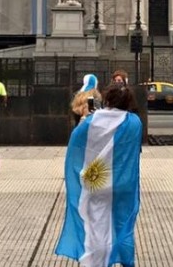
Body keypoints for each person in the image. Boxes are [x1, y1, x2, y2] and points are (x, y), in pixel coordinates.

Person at [55, 82, 143, 266]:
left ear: (107, 99)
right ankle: (127, 262)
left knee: (96, 226)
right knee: (124, 226)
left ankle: (97, 261)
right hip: (124, 183)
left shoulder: (92, 121)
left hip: (98, 182)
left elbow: (77, 144)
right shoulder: (135, 122)